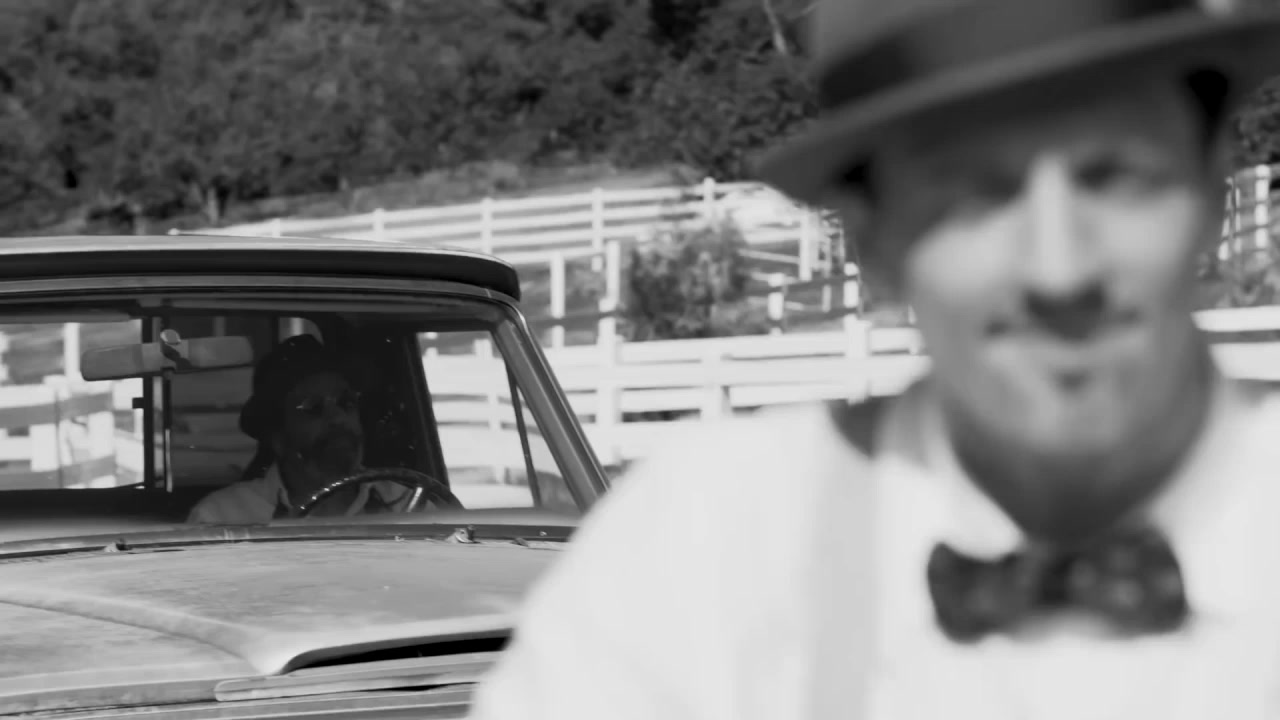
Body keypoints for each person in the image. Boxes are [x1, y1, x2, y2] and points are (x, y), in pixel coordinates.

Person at [471, 1, 1280, 718]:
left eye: (1117, 177)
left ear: (1214, 185)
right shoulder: (706, 553)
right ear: (872, 241)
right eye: (976, 194)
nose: (1059, 269)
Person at [187, 335, 412, 524]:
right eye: (313, 408)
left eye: (346, 403)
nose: (337, 417)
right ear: (278, 438)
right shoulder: (224, 517)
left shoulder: (407, 506)